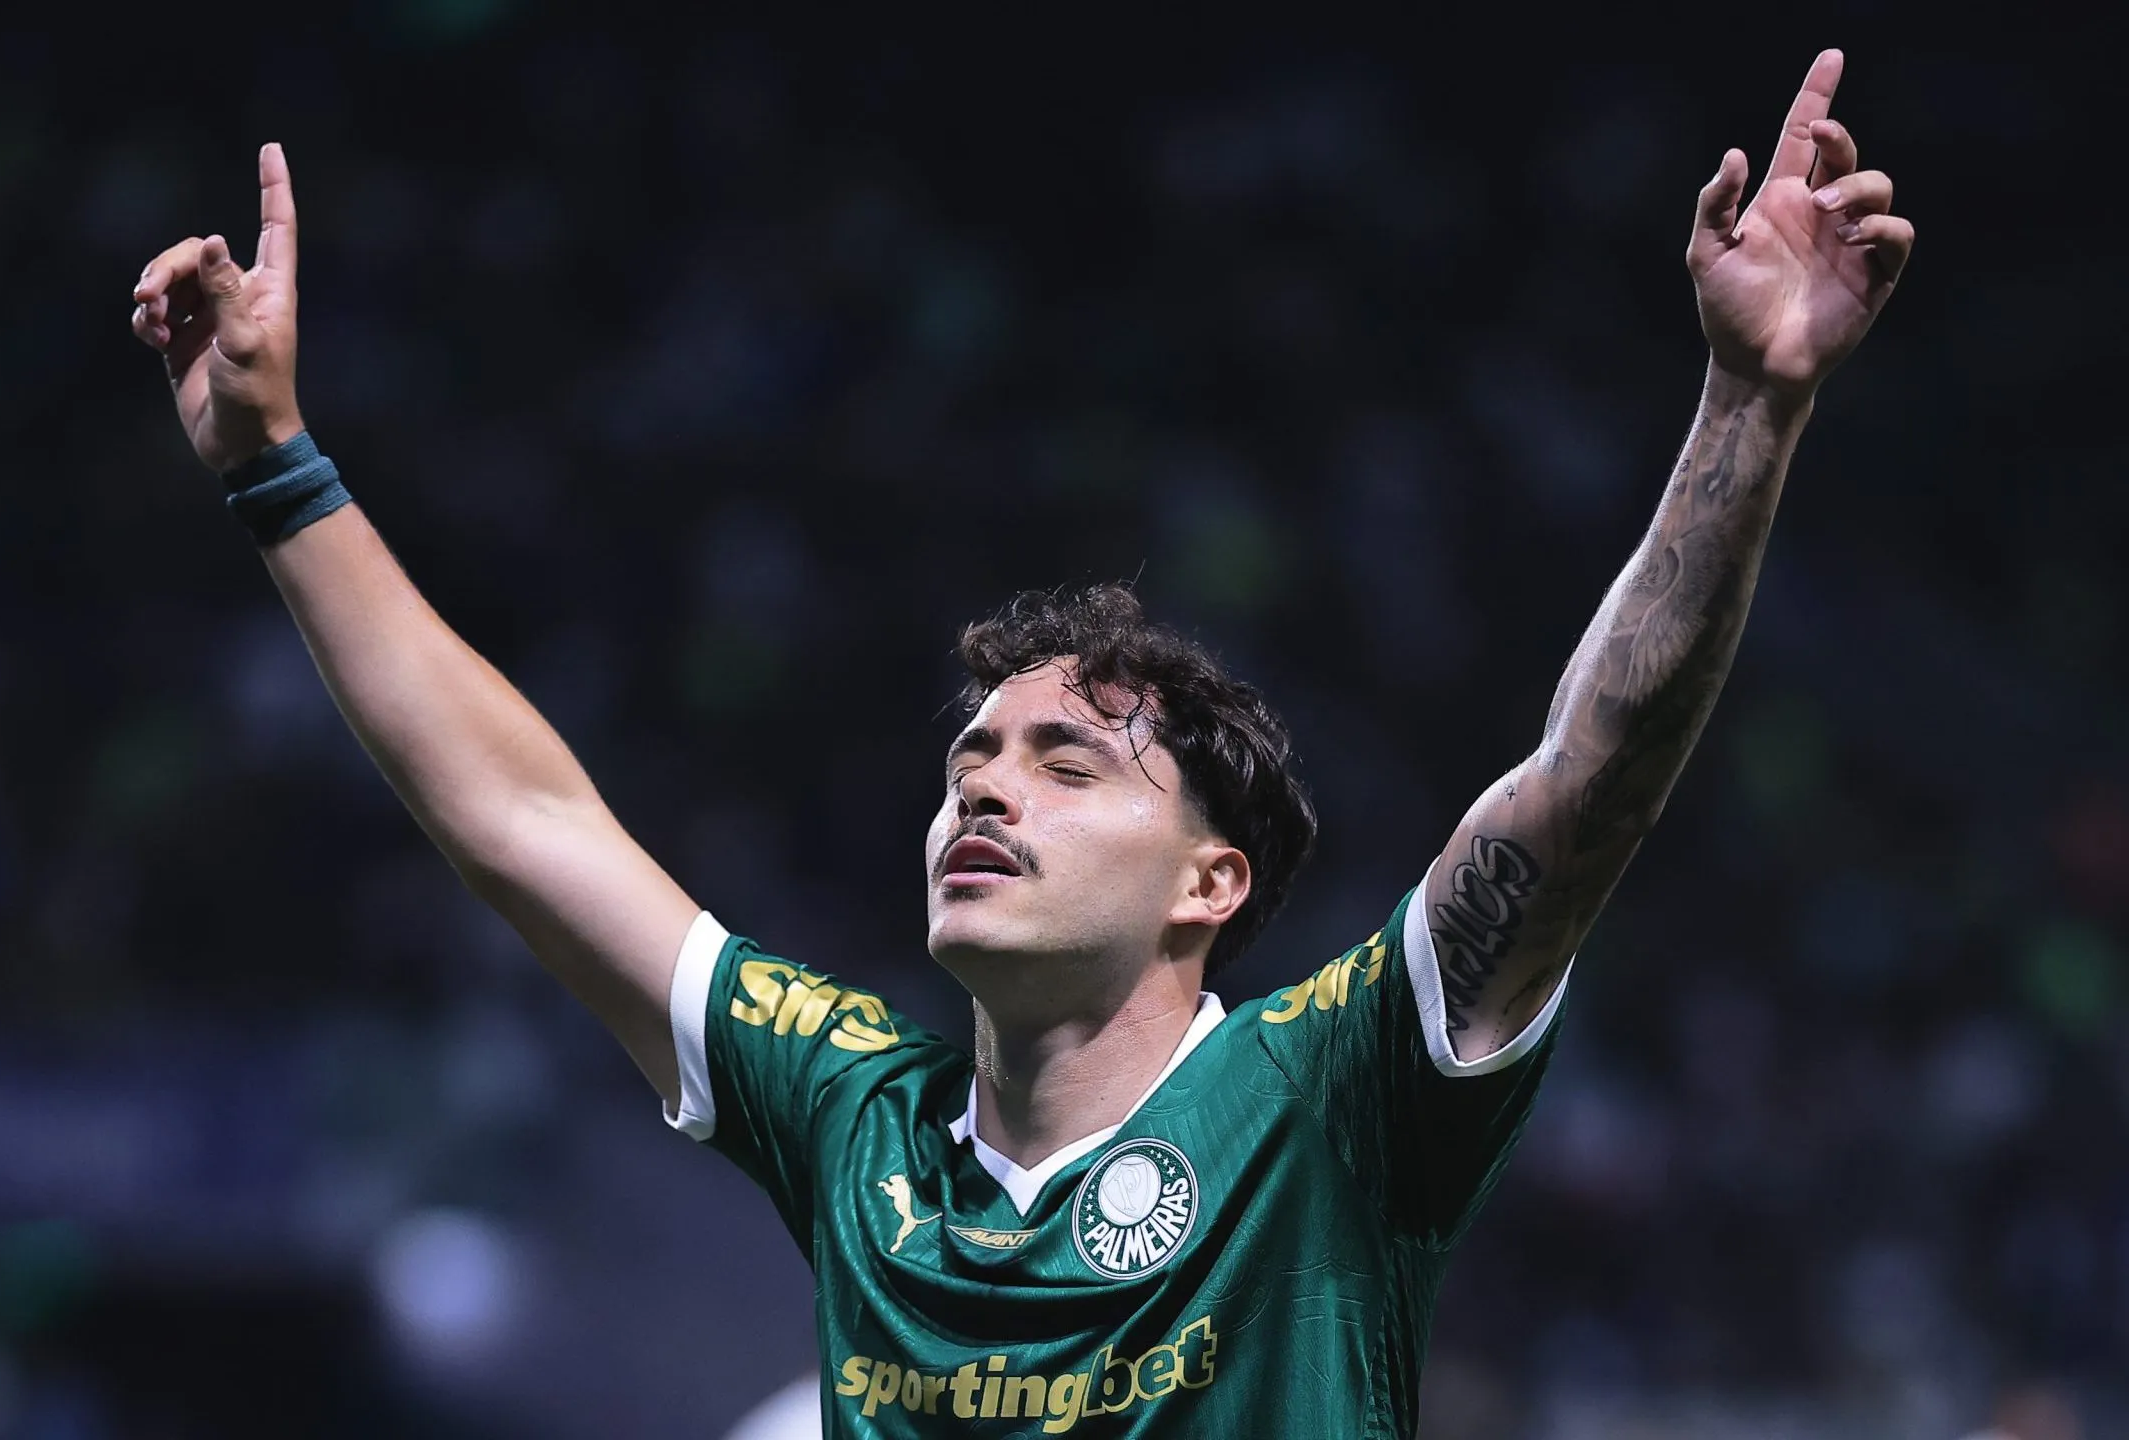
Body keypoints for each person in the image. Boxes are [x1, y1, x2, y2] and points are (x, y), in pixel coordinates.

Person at [127, 48, 1911, 1437]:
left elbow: (1581, 790)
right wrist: (277, 468)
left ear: (1212, 882)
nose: (984, 782)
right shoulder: (857, 1122)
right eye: (974, 756)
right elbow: (521, 817)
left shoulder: (1326, 1103)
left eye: (1071, 764)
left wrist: (1750, 403)